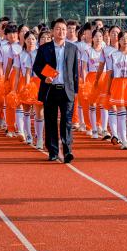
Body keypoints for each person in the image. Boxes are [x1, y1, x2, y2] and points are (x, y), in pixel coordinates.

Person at [32, 18, 80, 163]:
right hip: (50, 89)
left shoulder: (72, 48)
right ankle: (52, 151)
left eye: (64, 29)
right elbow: (37, 66)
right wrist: (44, 77)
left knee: (67, 122)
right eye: (58, 29)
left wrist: (75, 91)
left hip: (66, 90)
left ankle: (67, 151)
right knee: (51, 121)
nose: (61, 32)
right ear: (53, 31)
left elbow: (75, 71)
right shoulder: (44, 48)